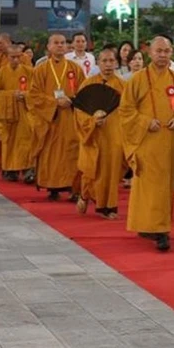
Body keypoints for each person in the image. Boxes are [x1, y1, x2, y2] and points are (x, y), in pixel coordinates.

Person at [119, 35, 174, 252]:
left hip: (168, 142)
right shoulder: (137, 80)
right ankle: (146, 225)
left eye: (167, 51)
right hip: (145, 142)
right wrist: (144, 121)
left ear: (172, 53)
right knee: (145, 187)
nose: (162, 55)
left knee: (164, 189)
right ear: (149, 53)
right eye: (158, 51)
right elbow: (125, 110)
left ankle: (162, 230)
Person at [29, 33, 86, 200]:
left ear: (67, 47)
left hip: (70, 117)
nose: (60, 46)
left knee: (72, 151)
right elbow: (33, 95)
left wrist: (72, 100)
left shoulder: (75, 69)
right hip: (50, 120)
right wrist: (54, 103)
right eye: (56, 43)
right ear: (49, 47)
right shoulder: (41, 69)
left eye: (62, 43)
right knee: (50, 152)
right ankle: (52, 187)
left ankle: (72, 187)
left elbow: (84, 91)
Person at [75, 47, 127, 219]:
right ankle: (85, 194)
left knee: (112, 172)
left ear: (117, 63)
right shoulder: (88, 84)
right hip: (93, 136)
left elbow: (129, 112)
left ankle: (108, 206)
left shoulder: (123, 86)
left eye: (112, 61)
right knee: (92, 169)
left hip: (114, 136)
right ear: (98, 63)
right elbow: (79, 111)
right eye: (104, 61)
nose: (108, 65)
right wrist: (92, 122)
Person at [0, 45, 35, 183]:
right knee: (8, 141)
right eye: (12, 57)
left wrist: (25, 95)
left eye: (18, 57)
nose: (16, 60)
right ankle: (10, 169)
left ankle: (28, 169)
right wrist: (11, 95)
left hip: (25, 112)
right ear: (7, 57)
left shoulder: (30, 72)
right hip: (8, 115)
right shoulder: (1, 72)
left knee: (27, 140)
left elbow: (36, 92)